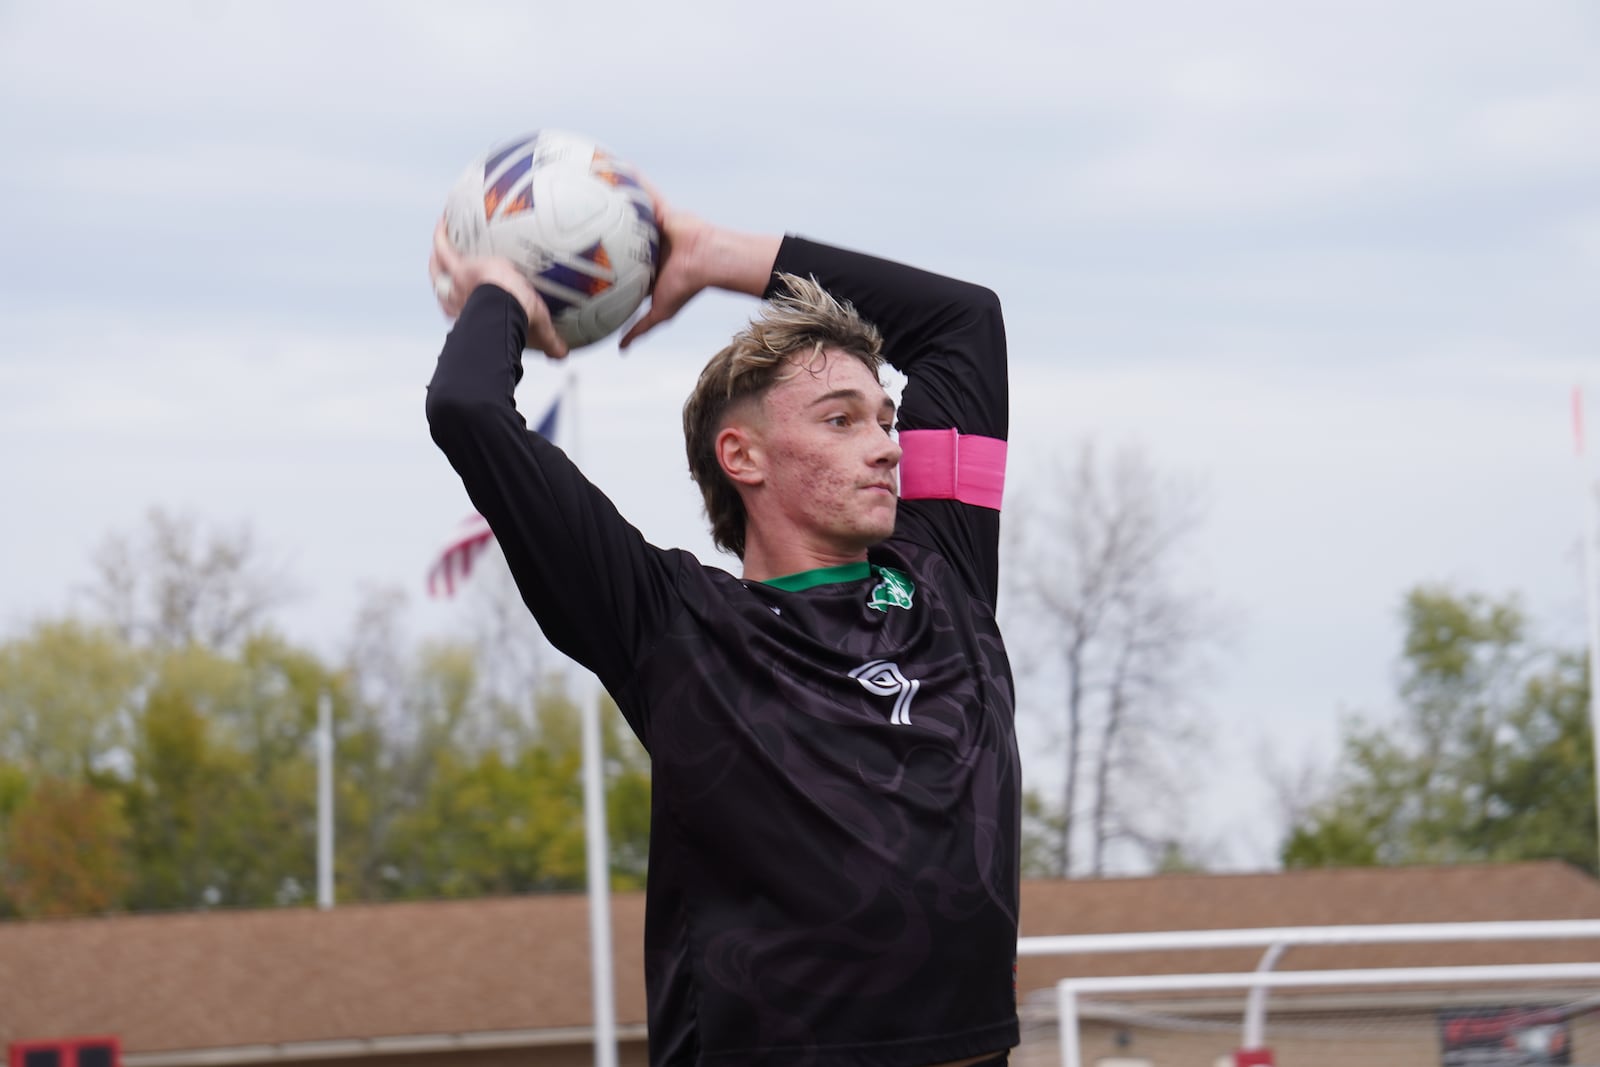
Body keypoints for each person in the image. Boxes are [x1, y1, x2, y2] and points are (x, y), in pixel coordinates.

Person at [426, 187, 1020, 1067]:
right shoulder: (671, 625)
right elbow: (468, 408)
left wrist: (713, 255)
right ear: (740, 456)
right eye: (841, 419)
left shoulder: (944, 570)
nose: (888, 444)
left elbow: (964, 320)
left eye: (885, 418)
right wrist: (506, 292)